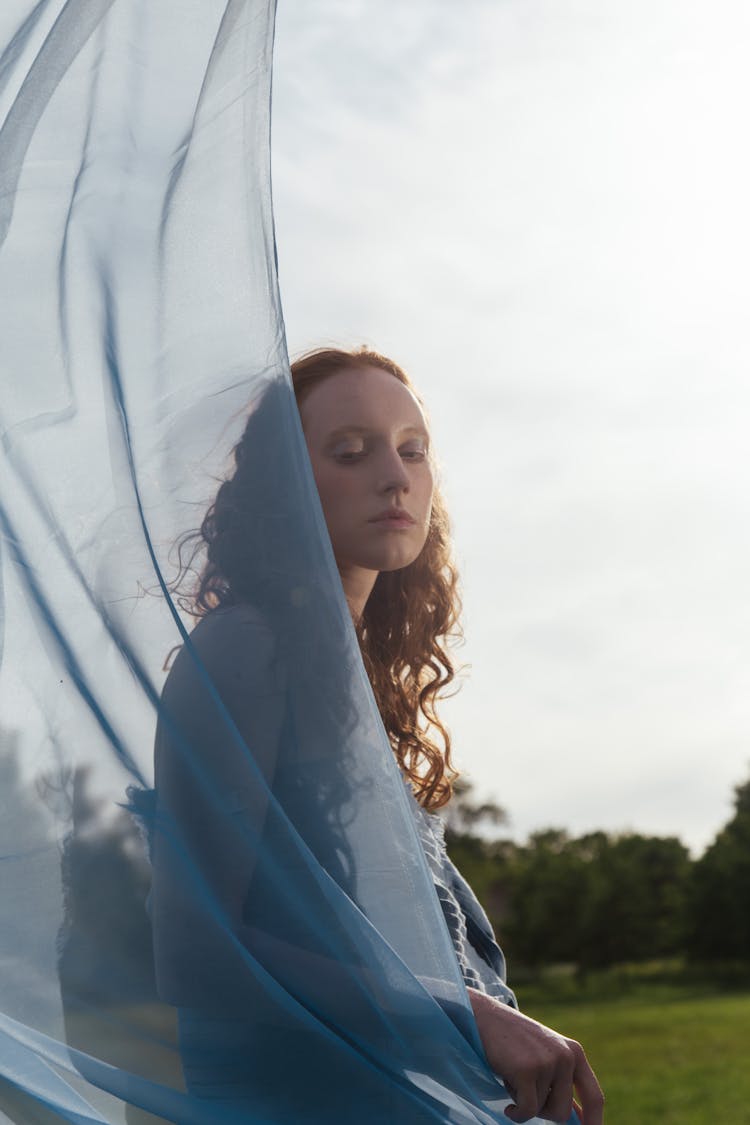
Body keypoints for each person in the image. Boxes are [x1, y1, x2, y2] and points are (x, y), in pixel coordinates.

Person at [149, 345, 605, 1124]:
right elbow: (196, 953)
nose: (395, 477)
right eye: (350, 452)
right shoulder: (243, 647)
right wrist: (462, 1011)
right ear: (283, 482)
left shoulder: (367, 680)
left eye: (413, 449)